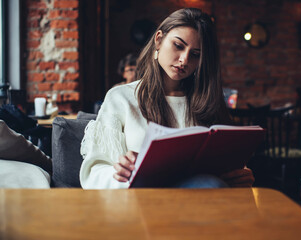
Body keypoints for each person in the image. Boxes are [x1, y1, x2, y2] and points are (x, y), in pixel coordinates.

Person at [79, 8, 254, 189]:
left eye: (195, 55)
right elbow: (94, 171)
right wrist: (122, 173)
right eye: (178, 46)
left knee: (210, 184)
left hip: (201, 199)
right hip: (142, 199)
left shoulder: (207, 102)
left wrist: (239, 176)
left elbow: (225, 165)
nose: (184, 60)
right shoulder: (121, 98)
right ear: (159, 40)